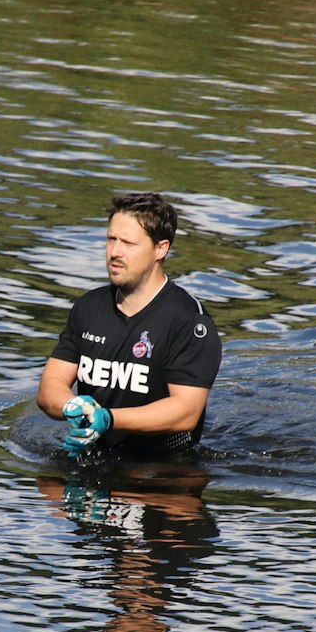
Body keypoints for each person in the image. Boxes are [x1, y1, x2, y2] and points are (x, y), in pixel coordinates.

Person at [35, 192, 222, 457]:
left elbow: (186, 412)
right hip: (92, 451)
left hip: (165, 465)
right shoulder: (88, 308)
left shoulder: (189, 320)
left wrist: (109, 419)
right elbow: (49, 387)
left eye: (128, 243)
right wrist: (72, 405)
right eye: (111, 239)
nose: (115, 252)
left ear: (161, 248)